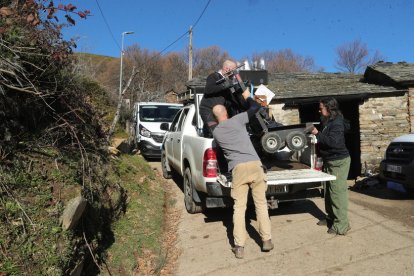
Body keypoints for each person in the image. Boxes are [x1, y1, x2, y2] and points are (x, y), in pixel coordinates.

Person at [211, 90, 273, 259]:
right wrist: (246, 94)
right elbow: (254, 107)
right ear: (226, 112)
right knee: (261, 204)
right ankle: (266, 240)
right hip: (255, 165)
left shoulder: (216, 132)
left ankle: (239, 247)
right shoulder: (237, 120)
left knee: (239, 208)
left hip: (238, 169)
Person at [311, 97, 351, 235]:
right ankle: (331, 218)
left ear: (329, 108)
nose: (319, 110)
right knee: (328, 191)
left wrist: (317, 134)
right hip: (330, 161)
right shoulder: (328, 121)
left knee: (337, 193)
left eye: (321, 107)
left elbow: (334, 143)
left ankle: (341, 225)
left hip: (338, 162)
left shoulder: (337, 123)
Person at [199, 59, 245, 137]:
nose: (234, 74)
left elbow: (233, 100)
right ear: (227, 69)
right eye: (234, 70)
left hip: (220, 113)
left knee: (226, 134)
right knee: (214, 134)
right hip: (208, 111)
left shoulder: (229, 81)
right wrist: (225, 85)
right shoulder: (214, 76)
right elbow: (208, 90)